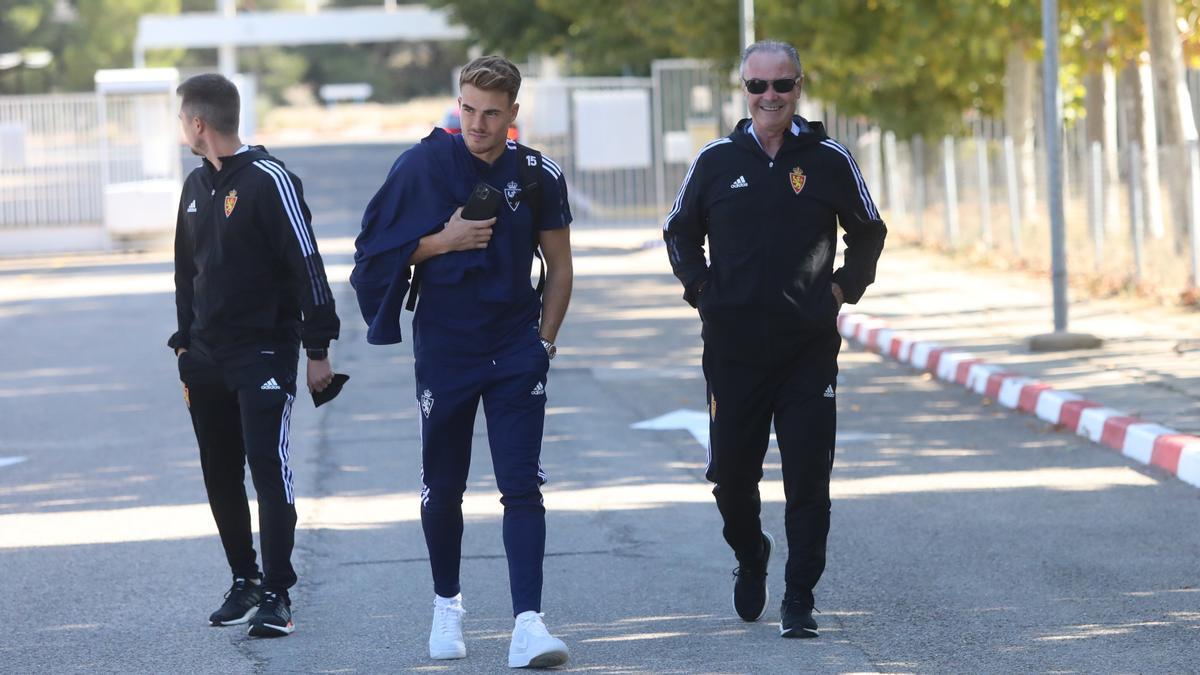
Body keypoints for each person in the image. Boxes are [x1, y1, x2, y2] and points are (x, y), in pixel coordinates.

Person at [351, 55, 573, 668]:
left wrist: (544, 345)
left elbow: (560, 268)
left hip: (515, 350)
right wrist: (441, 242)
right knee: (443, 488)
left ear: (513, 114)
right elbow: (371, 256)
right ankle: (445, 606)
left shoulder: (536, 175)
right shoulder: (422, 164)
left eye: (491, 113)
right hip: (446, 347)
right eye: (468, 108)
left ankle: (529, 624)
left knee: (521, 486)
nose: (476, 123)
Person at [663, 40, 886, 638]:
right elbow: (678, 231)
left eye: (781, 86)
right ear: (744, 90)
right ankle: (751, 552)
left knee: (807, 479)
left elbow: (869, 230)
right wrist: (702, 292)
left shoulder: (829, 159)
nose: (769, 97)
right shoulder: (715, 160)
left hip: (807, 350)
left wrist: (842, 291)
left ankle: (799, 598)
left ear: (798, 87)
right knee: (732, 480)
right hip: (732, 351)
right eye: (757, 86)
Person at [170, 73, 340, 638]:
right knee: (220, 470)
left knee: (268, 466)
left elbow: (307, 266)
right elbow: (185, 276)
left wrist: (317, 348)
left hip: (263, 351)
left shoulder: (271, 180)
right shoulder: (195, 186)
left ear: (199, 123)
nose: (182, 128)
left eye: (182, 119)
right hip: (205, 356)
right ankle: (244, 581)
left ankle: (277, 593)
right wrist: (185, 344)